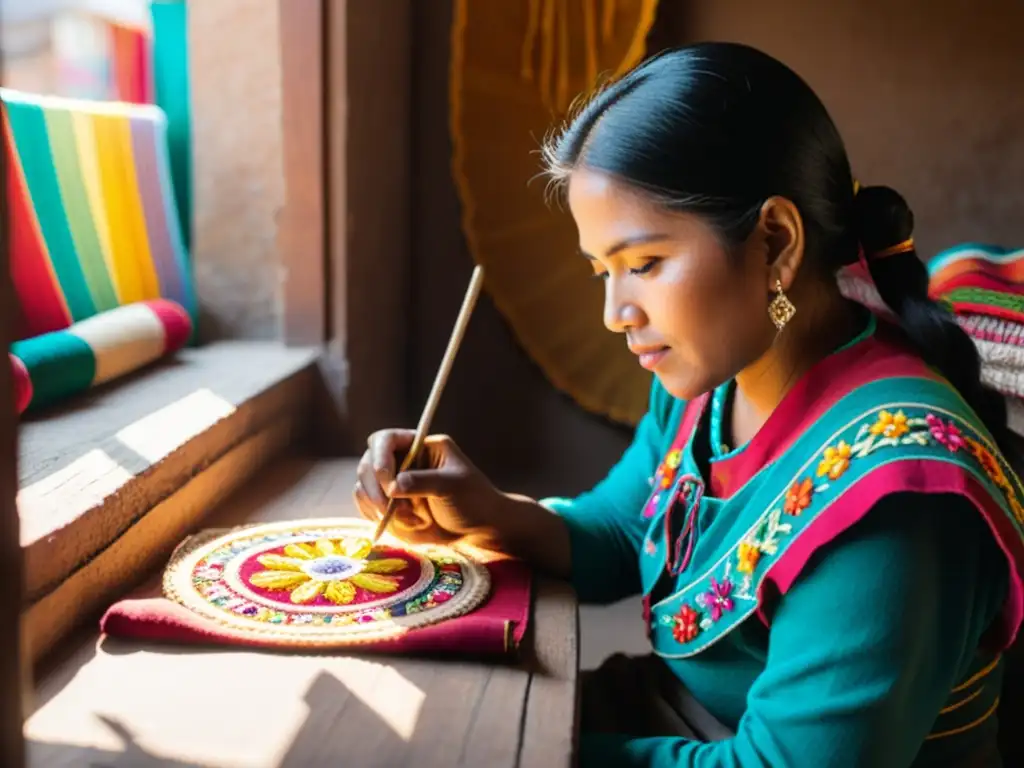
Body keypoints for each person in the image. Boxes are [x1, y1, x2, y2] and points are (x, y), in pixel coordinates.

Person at [353, 42, 1024, 767]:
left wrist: (519, 748)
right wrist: (491, 512)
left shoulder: (895, 499)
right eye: (602, 270)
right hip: (675, 725)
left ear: (775, 241)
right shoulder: (715, 381)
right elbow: (621, 533)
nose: (616, 312)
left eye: (642, 265)